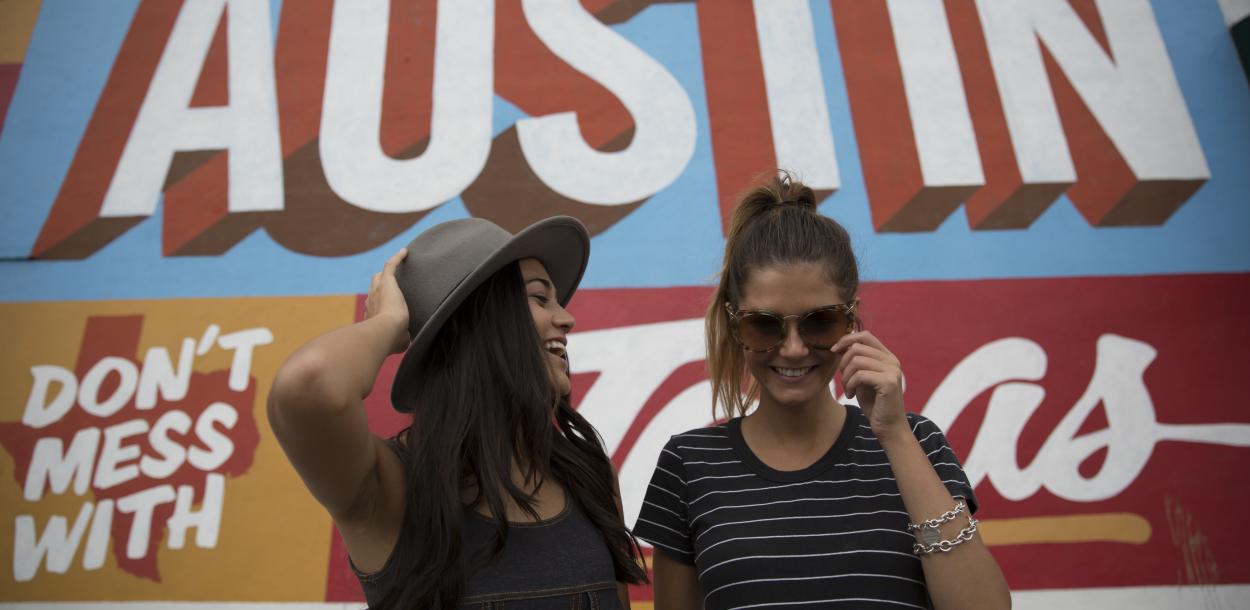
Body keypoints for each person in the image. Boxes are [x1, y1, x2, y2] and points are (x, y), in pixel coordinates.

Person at [633, 173, 1011, 609]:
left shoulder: (916, 442)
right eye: (764, 324)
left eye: (819, 322)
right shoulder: (689, 464)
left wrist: (892, 433)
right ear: (734, 322)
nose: (793, 349)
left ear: (851, 320)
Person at [268, 216, 646, 609]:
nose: (567, 318)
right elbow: (308, 383)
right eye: (539, 298)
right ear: (477, 322)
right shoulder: (391, 486)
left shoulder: (588, 474)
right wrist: (390, 322)